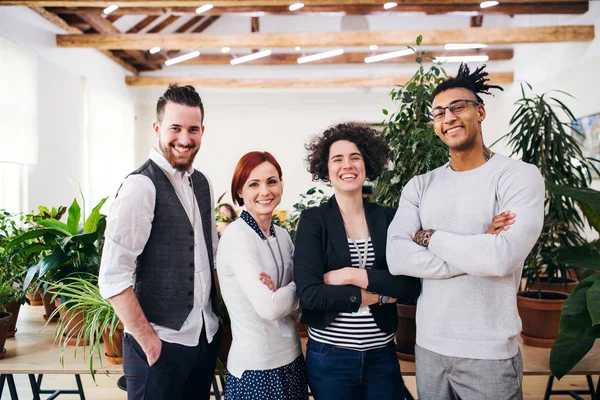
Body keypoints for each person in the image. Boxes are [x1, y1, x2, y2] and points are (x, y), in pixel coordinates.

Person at [386, 64, 545, 400]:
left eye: (458, 107)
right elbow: (397, 256)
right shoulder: (420, 185)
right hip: (429, 347)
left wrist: (429, 238)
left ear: (480, 111)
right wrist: (478, 247)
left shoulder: (517, 176)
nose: (449, 117)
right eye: (439, 112)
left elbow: (501, 259)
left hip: (489, 353)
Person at [98, 84, 221, 400]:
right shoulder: (140, 186)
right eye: (175, 128)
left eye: (193, 130)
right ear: (157, 128)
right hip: (159, 345)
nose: (184, 139)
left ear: (203, 131)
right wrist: (150, 343)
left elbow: (212, 256)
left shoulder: (203, 184)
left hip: (203, 340)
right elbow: (112, 277)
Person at [294, 123, 421, 400]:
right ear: (326, 169)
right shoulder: (314, 221)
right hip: (331, 358)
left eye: (355, 157)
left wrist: (351, 275)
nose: (346, 165)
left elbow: (410, 284)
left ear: (367, 163)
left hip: (382, 356)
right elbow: (311, 295)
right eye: (337, 159)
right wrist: (378, 297)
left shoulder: (388, 219)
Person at [217, 151, 308, 400]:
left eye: (272, 181)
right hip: (255, 369)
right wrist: (296, 285)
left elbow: (301, 308)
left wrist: (283, 292)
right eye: (253, 184)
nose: (265, 191)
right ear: (239, 192)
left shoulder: (283, 235)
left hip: (293, 361)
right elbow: (269, 308)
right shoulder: (236, 236)